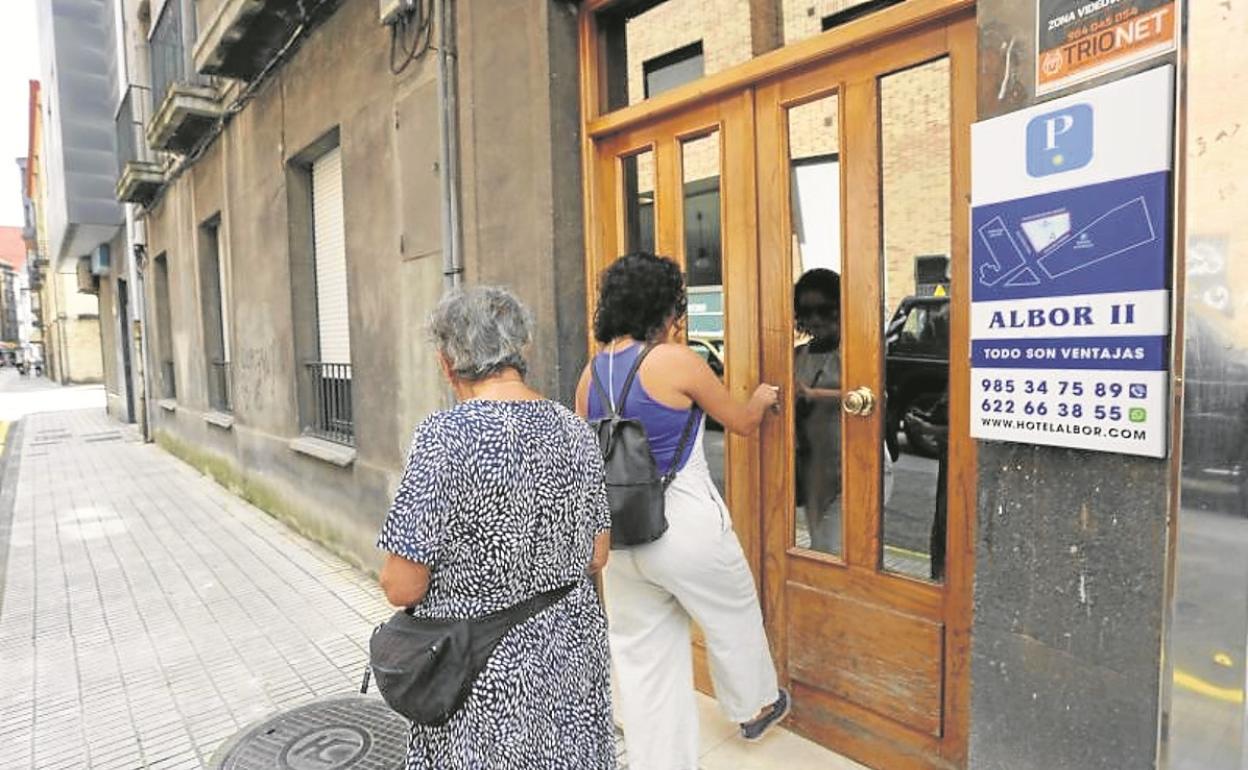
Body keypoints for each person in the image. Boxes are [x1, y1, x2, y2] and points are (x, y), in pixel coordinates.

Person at [377, 286, 616, 770]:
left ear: (447, 363)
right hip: (572, 648)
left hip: (482, 667)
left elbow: (402, 585)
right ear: (520, 350)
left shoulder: (443, 437)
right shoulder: (576, 429)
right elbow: (598, 554)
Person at [576, 252, 788, 770]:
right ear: (663, 307)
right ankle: (754, 707)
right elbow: (739, 422)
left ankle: (658, 761)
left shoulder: (589, 376)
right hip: (684, 525)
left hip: (623, 535)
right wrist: (760, 398)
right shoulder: (676, 361)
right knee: (732, 615)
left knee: (643, 655)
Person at [793, 268, 843, 553]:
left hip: (855, 466)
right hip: (813, 469)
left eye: (824, 311)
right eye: (806, 312)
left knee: (834, 548)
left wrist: (814, 394)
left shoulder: (858, 350)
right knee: (819, 547)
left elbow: (873, 398)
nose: (814, 320)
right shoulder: (797, 356)